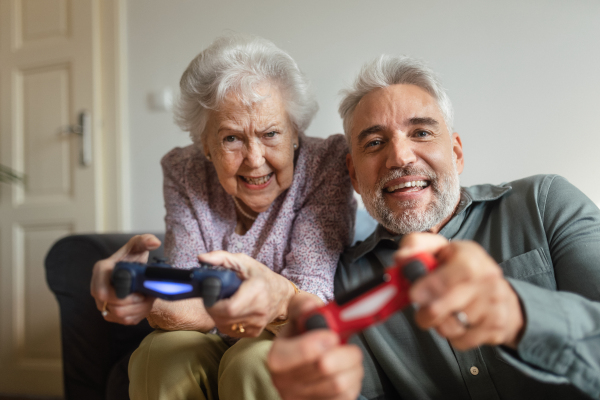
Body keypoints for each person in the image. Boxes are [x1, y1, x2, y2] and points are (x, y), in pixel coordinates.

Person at [267, 55, 600, 400]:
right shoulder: (346, 282)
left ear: (456, 153)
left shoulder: (545, 203)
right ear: (353, 174)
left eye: (421, 133)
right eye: (375, 143)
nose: (400, 157)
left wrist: (518, 313)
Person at [90, 34, 356, 400]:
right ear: (205, 145)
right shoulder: (185, 170)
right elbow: (184, 285)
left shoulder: (325, 164)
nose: (254, 158)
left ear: (295, 132)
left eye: (271, 133)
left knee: (255, 359)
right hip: (211, 336)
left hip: (288, 331)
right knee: (160, 353)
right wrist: (141, 289)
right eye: (232, 138)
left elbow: (310, 300)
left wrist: (199, 302)